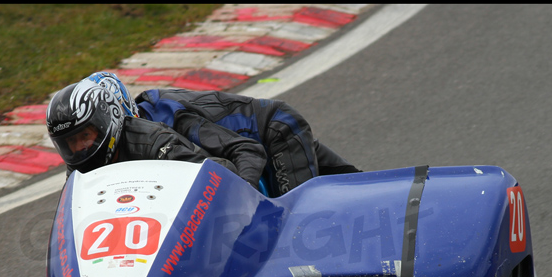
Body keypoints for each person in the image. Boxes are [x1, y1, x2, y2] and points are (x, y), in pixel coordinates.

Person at [86, 72, 362, 197]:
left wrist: (243, 193)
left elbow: (245, 151)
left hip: (277, 132)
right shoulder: (128, 144)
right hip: (266, 140)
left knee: (296, 221)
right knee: (357, 183)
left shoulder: (169, 118)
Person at [46, 78, 246, 181]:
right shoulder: (77, 169)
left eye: (85, 135)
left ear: (105, 122)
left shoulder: (153, 140)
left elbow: (221, 172)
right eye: (71, 141)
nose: (80, 147)